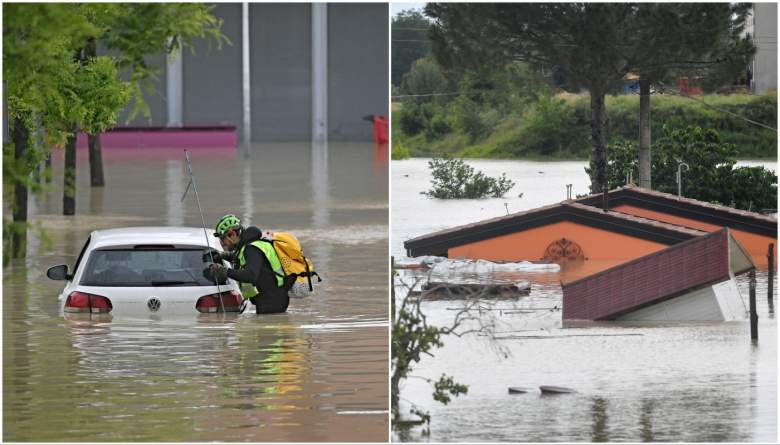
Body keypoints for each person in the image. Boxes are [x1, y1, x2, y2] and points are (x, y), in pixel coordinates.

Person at [203, 214, 293, 314]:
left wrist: (225, 271)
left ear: (232, 234)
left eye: (223, 239)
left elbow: (250, 275)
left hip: (271, 301)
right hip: (273, 298)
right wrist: (224, 255)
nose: (223, 244)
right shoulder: (250, 246)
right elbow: (243, 259)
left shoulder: (251, 249)